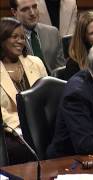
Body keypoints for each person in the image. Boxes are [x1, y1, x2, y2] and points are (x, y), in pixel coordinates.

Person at [0, 17, 47, 164]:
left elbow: (49, 96)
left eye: (22, 37)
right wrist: (26, 124)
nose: (20, 41)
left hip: (42, 124)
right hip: (11, 131)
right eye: (14, 37)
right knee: (24, 149)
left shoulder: (36, 62)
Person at [9, 0, 65, 74]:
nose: (32, 13)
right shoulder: (8, 39)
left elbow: (61, 70)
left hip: (54, 83)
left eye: (34, 7)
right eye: (25, 9)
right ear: (14, 12)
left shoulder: (53, 32)